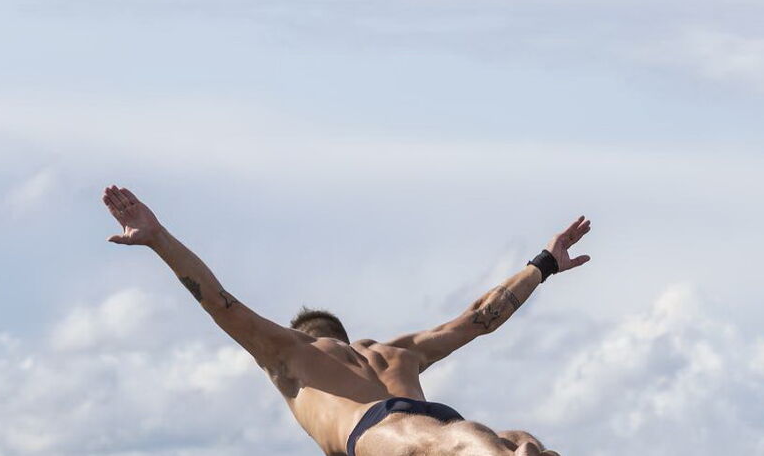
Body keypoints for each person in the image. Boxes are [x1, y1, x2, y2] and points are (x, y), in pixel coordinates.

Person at [102, 185, 593, 456]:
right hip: (442, 415)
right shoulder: (398, 352)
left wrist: (157, 237)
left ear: (306, 334)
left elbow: (218, 301)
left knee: (447, 445)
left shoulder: (288, 354)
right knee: (516, 439)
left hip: (382, 430)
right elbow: (480, 319)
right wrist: (543, 264)